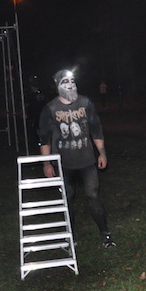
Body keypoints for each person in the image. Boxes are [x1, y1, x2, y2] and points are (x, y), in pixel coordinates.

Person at [38, 69, 115, 248]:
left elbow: (96, 130)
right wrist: (46, 163)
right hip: (63, 163)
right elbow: (44, 138)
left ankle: (105, 234)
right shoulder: (50, 109)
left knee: (93, 195)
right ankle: (70, 236)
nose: (70, 85)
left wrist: (102, 152)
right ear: (58, 86)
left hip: (87, 160)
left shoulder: (86, 103)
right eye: (65, 82)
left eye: (72, 81)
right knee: (67, 198)